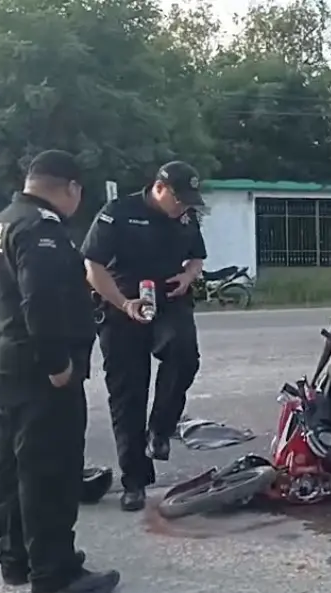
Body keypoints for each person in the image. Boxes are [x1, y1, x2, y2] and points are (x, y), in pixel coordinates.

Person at [0, 150, 120, 593]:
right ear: (71, 188)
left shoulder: (4, 220)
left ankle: (17, 561)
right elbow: (39, 300)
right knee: (49, 471)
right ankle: (54, 573)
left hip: (7, 364)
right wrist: (57, 363)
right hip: (41, 372)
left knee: (10, 468)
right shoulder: (42, 230)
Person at [81, 161, 207, 512]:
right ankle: (134, 481)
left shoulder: (185, 217)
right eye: (178, 199)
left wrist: (188, 277)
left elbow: (196, 257)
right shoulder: (118, 213)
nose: (182, 207)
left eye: (188, 202)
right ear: (159, 188)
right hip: (121, 308)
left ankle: (161, 430)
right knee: (128, 396)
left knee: (185, 357)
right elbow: (93, 266)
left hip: (169, 304)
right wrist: (123, 303)